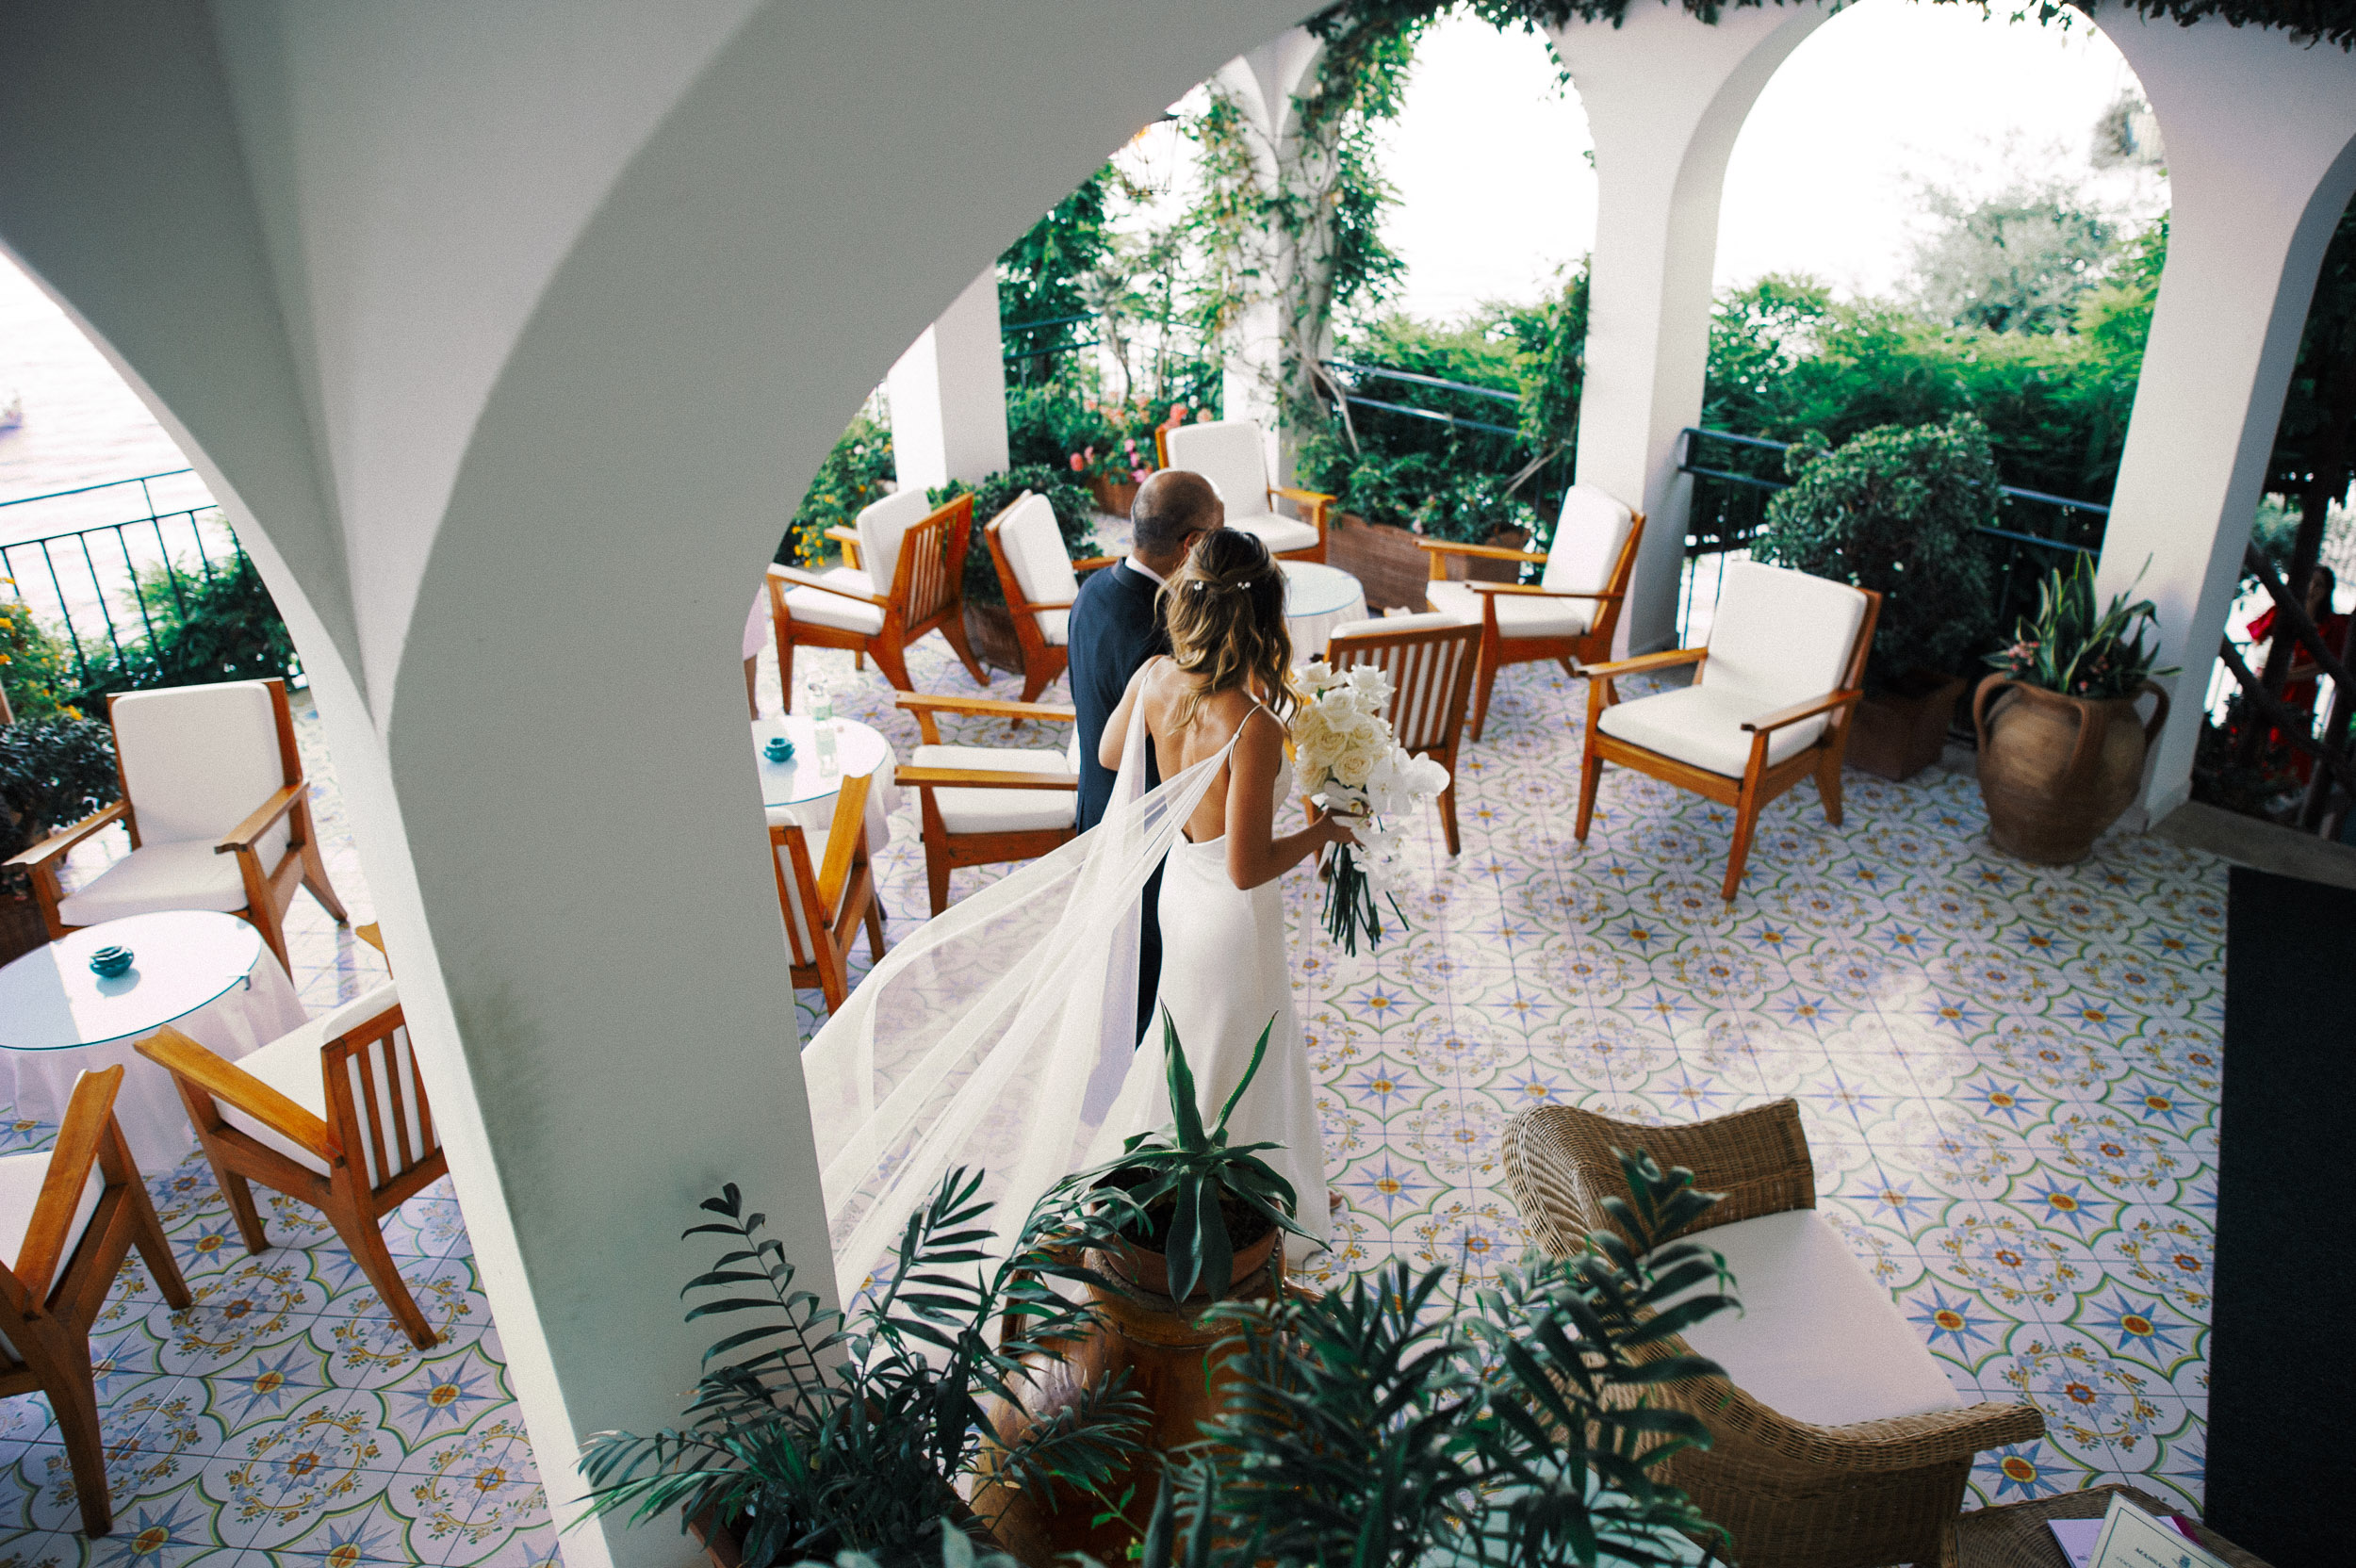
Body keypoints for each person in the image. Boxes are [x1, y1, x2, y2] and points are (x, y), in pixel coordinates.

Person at [1092, 529, 1354, 1260]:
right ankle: (1259, 1209)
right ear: (1265, 617)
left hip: (1182, 893)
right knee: (1249, 1054)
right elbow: (1247, 867)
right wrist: (1322, 832)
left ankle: (1232, 1191)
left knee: (1193, 1044)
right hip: (1232, 918)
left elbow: (1111, 754)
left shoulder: (1154, 676)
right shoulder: (1251, 725)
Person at [1068, 469, 1221, 1040]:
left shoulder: (1093, 590)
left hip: (1096, 809)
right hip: (1147, 835)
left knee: (1119, 973)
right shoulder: (1164, 634)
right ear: (1191, 543)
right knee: (1150, 991)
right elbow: (1179, 754)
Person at [2249, 564, 2350, 783]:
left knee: (2289, 738)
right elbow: (2258, 636)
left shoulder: (2331, 624)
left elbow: (2325, 664)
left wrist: (2288, 676)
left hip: (2300, 691)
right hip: (2268, 681)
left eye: (2319, 585)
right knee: (2255, 728)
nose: (2313, 588)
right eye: (2310, 582)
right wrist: (2264, 659)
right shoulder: (2283, 611)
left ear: (2327, 591)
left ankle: (2281, 785)